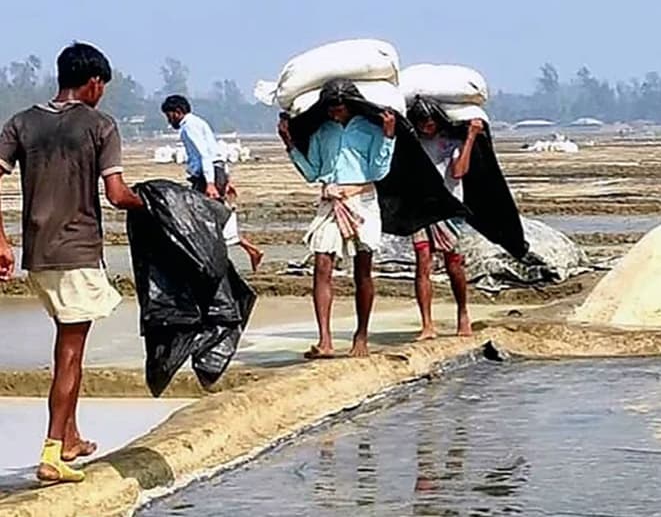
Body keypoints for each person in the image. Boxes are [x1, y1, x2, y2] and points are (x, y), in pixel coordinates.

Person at [0, 43, 144, 484]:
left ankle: (72, 437)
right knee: (70, 354)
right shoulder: (100, 125)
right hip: (76, 251)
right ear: (94, 83)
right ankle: (52, 454)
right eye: (103, 86)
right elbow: (117, 195)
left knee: (67, 339)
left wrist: (2, 241)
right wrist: (156, 203)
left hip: (38, 254)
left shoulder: (22, 122)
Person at [278, 79, 397, 359]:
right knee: (322, 265)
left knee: (363, 270)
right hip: (331, 201)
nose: (334, 113)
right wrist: (289, 144)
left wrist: (388, 136)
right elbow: (312, 172)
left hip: (362, 201)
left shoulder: (371, 130)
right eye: (331, 108)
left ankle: (361, 335)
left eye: (339, 108)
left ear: (351, 105)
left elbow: (378, 171)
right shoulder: (322, 132)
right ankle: (325, 340)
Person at [407, 98, 483, 340]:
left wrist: (470, 137)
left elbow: (458, 171)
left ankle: (463, 313)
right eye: (422, 123)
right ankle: (427, 324)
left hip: (449, 207)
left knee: (454, 265)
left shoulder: (451, 141)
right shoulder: (412, 142)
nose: (426, 127)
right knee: (422, 263)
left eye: (430, 123)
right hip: (421, 208)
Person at [160, 95, 264, 271]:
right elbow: (214, 152)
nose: (169, 120)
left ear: (177, 112)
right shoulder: (197, 123)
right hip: (215, 172)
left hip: (207, 176)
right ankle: (249, 250)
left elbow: (204, 155)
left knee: (204, 220)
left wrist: (210, 183)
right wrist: (225, 179)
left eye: (169, 116)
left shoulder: (189, 127)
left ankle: (211, 261)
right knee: (216, 216)